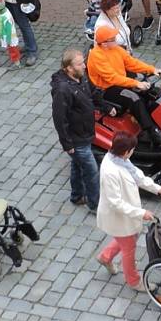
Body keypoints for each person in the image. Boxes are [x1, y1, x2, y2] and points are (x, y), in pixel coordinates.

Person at [96, 132, 161, 290]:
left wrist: (157, 188)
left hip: (126, 215)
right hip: (119, 216)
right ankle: (134, 281)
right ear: (126, 151)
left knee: (127, 239)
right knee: (129, 248)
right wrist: (141, 213)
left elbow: (138, 176)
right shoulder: (110, 171)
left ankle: (105, 257)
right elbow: (115, 203)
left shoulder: (120, 160)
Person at [86, 26, 161, 146]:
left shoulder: (115, 49)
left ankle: (157, 122)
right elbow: (112, 78)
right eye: (113, 38)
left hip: (120, 82)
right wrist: (136, 83)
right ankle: (151, 131)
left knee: (150, 93)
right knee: (134, 98)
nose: (116, 39)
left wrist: (151, 69)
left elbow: (131, 63)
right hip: (106, 89)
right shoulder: (97, 56)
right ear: (104, 44)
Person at [51, 49, 105, 214]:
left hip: (85, 133)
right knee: (92, 171)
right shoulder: (62, 90)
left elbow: (93, 92)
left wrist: (106, 107)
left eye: (83, 62)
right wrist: (67, 144)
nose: (84, 66)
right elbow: (60, 119)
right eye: (80, 64)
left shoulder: (81, 76)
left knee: (77, 165)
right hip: (77, 138)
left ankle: (76, 196)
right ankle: (95, 205)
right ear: (68, 68)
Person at [0, 0, 21, 68]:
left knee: (13, 50)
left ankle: (17, 63)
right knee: (13, 49)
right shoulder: (4, 11)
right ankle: (16, 59)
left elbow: (8, 29)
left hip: (9, 37)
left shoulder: (5, 17)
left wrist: (8, 40)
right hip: (8, 36)